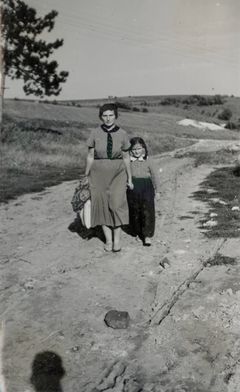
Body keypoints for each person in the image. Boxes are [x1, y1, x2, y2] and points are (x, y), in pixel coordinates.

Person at [85, 103, 133, 252]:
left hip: (118, 173)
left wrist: (129, 178)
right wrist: (86, 175)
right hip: (98, 173)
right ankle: (108, 240)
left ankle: (117, 240)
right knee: (102, 205)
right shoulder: (94, 133)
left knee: (116, 204)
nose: (108, 119)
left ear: (116, 116)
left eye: (111, 115)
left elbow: (126, 157)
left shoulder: (123, 134)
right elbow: (90, 156)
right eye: (105, 115)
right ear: (101, 117)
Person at [127, 137, 160, 246]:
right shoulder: (128, 161)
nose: (137, 151)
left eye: (139, 148)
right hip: (133, 188)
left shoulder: (149, 160)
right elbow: (123, 175)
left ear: (144, 148)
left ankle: (147, 235)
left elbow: (155, 176)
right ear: (130, 150)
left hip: (146, 187)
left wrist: (158, 191)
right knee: (134, 210)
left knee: (147, 210)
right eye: (134, 149)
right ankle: (137, 231)